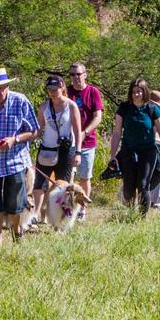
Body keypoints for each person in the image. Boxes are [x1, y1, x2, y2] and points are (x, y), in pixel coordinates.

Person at [0, 68, 39, 248]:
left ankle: (16, 232)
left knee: (15, 202)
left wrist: (16, 139)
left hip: (15, 160)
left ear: (7, 86)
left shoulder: (20, 101)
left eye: (0, 88)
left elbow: (35, 131)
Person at [107, 78, 160, 213]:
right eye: (133, 92)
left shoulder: (152, 109)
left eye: (139, 91)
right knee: (128, 186)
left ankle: (141, 217)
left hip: (148, 151)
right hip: (128, 151)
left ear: (144, 92)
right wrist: (113, 155)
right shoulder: (124, 108)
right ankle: (130, 213)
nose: (136, 94)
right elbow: (116, 133)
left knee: (143, 184)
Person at [33, 74, 82, 222]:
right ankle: (35, 215)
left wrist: (78, 152)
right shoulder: (44, 106)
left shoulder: (71, 106)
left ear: (62, 87)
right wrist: (26, 138)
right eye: (49, 89)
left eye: (55, 88)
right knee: (39, 183)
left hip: (66, 150)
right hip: (47, 149)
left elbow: (78, 131)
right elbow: (39, 129)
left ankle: (60, 216)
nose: (52, 92)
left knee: (63, 186)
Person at [65, 62, 103, 213]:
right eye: (72, 75)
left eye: (78, 74)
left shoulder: (93, 92)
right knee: (68, 177)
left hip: (87, 142)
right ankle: (67, 207)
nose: (75, 78)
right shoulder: (66, 92)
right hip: (69, 142)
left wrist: (85, 132)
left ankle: (82, 209)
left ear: (85, 75)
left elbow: (98, 117)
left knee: (85, 177)